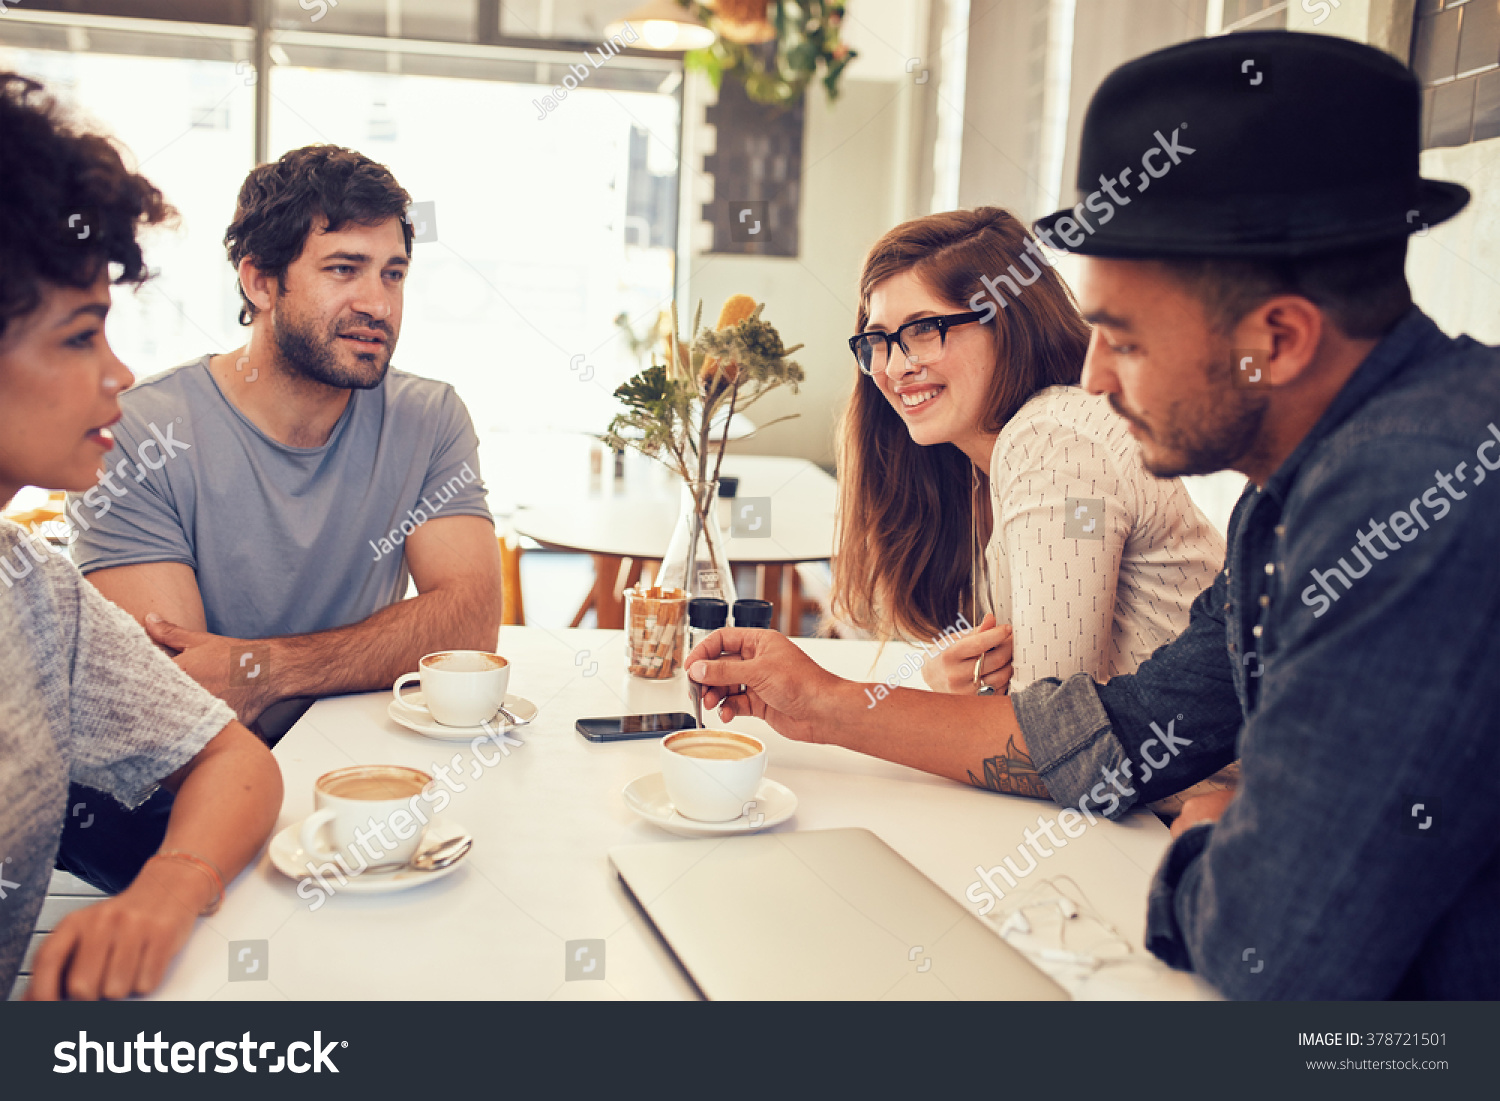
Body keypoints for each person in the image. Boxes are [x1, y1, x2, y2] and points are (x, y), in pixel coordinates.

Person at [687, 31, 1500, 999]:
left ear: (1276, 340)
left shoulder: (1413, 493)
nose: (1095, 376)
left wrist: (1214, 829)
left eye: (1122, 339)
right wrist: (823, 705)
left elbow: (1274, 944)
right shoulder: (1286, 500)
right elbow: (1119, 735)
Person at [54, 144, 502, 893]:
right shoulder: (138, 431)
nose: (378, 304)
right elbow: (181, 707)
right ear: (259, 280)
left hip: (352, 767)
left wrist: (262, 668)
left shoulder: (429, 417)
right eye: (343, 269)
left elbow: (468, 624)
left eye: (394, 274)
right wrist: (355, 656)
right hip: (175, 807)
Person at [0, 72, 282, 1000]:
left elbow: (236, 760)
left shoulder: (37, 593)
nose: (120, 373)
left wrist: (168, 886)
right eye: (81, 337)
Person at [834, 207, 1224, 704]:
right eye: (880, 339)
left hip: (1206, 782)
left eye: (925, 329)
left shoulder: (1055, 441)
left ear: (1009, 323)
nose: (894, 367)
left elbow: (1050, 730)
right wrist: (965, 681)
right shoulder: (973, 461)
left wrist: (831, 705)